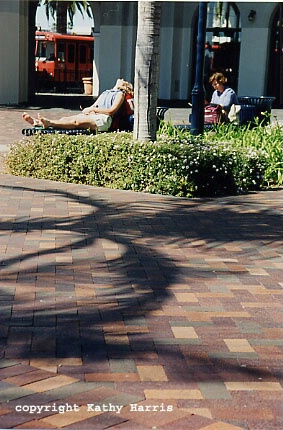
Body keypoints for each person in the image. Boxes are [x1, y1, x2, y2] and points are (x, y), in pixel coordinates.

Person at [22, 79, 134, 132]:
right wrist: (89, 109)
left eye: (124, 80)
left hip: (104, 119)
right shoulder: (106, 92)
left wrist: (93, 109)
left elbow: (111, 111)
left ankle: (49, 123)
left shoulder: (121, 94)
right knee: (67, 118)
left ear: (125, 86)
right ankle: (39, 123)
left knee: (76, 122)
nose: (121, 79)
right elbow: (95, 105)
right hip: (94, 114)